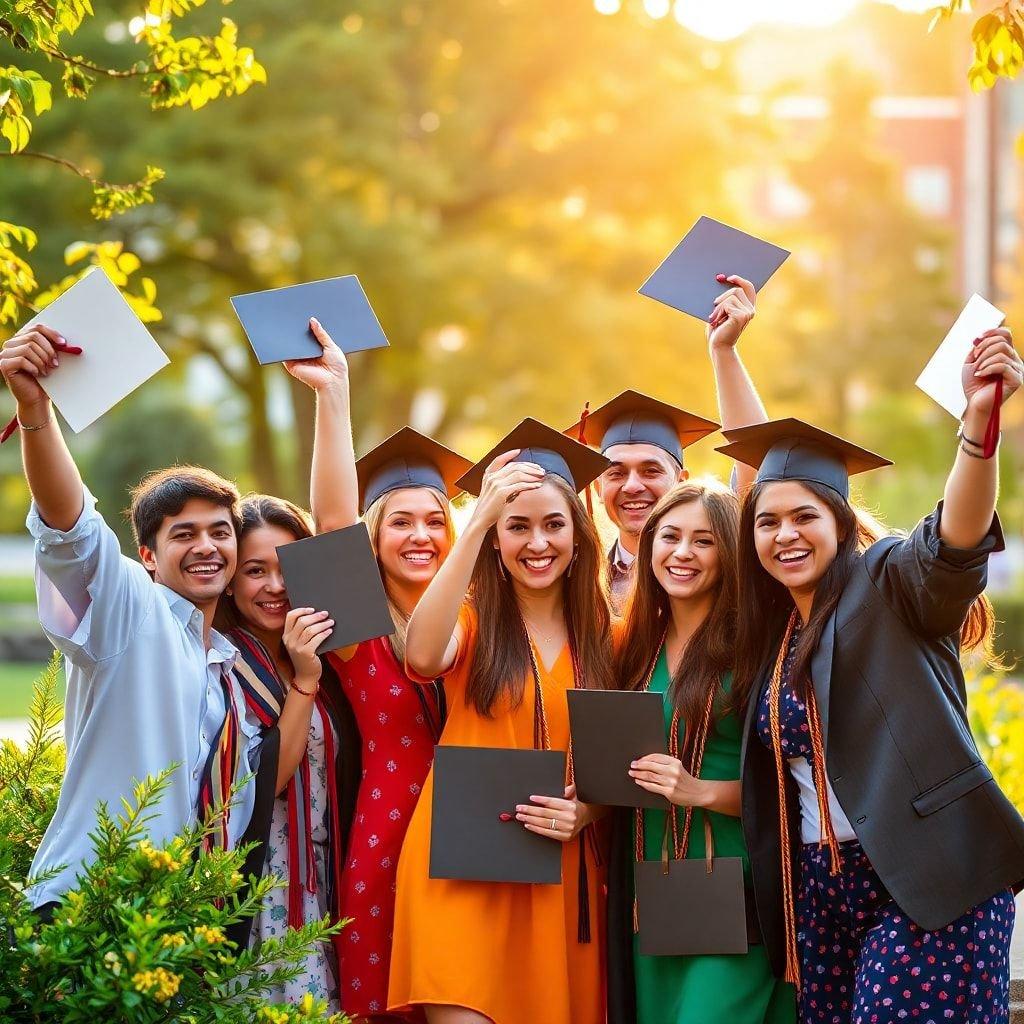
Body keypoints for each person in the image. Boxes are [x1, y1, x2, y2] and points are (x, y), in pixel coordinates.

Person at [725, 325, 1024, 1023]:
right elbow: (748, 475)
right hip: (821, 894)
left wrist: (977, 427)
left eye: (804, 516)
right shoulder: (771, 633)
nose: (785, 534)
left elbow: (956, 536)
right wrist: (725, 353)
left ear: (838, 522)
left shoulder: (889, 580)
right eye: (767, 522)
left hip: (933, 875)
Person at [0, 323, 269, 927]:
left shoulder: (232, 671)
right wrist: (35, 411)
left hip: (174, 921)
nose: (207, 547)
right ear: (148, 556)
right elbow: (72, 527)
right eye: (184, 534)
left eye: (220, 532)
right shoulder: (131, 612)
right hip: (88, 903)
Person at [388, 419, 614, 1024]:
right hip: (464, 862)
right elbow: (422, 655)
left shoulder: (609, 636)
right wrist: (477, 522)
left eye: (553, 525)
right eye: (517, 527)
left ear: (578, 534)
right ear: (494, 537)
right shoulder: (471, 620)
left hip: (557, 866)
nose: (536, 543)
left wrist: (590, 808)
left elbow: (624, 760)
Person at [291, 318, 470, 1021]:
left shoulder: (484, 619)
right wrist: (334, 397)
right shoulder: (356, 632)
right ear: (376, 534)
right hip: (388, 832)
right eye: (400, 521)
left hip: (477, 825)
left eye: (435, 520)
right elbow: (331, 519)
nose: (421, 535)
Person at [607, 480, 795, 1024]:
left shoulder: (759, 649)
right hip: (650, 881)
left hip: (732, 881)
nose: (682, 552)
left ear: (731, 555)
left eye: (704, 540)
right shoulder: (632, 647)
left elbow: (794, 785)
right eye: (669, 536)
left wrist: (701, 790)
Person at [216, 494, 361, 1011]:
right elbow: (266, 781)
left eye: (287, 568)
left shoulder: (330, 658)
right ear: (231, 578)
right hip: (260, 885)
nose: (276, 586)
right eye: (256, 570)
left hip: (322, 877)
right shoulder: (225, 665)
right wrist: (303, 680)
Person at [571, 274, 765, 610]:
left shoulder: (716, 565)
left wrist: (724, 350)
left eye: (650, 470)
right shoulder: (581, 583)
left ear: (681, 482)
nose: (633, 486)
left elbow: (756, 467)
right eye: (616, 473)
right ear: (598, 488)